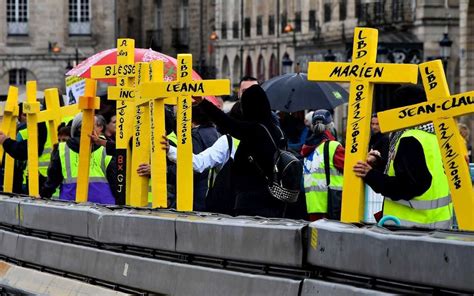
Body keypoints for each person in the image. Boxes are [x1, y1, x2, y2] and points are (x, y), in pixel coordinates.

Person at [353, 85, 452, 229]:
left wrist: (370, 175)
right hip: (437, 227)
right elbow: (420, 173)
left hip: (409, 229)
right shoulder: (436, 137)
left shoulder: (410, 139)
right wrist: (379, 163)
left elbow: (408, 186)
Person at [194, 85, 287, 217]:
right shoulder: (277, 131)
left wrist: (203, 103)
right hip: (276, 199)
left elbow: (228, 123)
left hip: (252, 203)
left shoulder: (256, 130)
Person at [40, 114, 117, 204]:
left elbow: (52, 180)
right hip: (103, 204)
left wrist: (42, 197)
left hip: (70, 204)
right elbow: (116, 180)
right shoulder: (107, 147)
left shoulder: (62, 149)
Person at [302, 110, 344, 221]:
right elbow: (352, 168)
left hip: (312, 205)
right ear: (330, 126)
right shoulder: (333, 147)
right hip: (331, 204)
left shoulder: (307, 148)